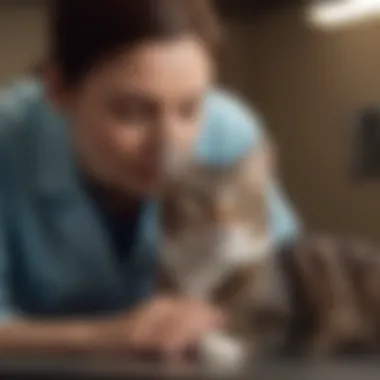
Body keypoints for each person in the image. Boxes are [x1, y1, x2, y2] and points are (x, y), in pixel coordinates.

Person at [0, 0, 300, 358]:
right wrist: (103, 336)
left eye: (190, 109)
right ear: (60, 89)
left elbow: (284, 278)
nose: (169, 148)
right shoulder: (8, 141)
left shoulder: (227, 134)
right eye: (132, 112)